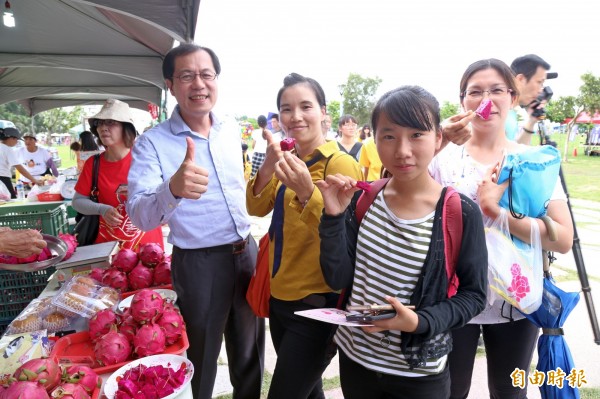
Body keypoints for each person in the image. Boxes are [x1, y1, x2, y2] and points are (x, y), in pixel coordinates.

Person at [317, 85, 488, 399]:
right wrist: (332, 217)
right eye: (389, 136)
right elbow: (337, 278)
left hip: (419, 374)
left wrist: (419, 322)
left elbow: (475, 295)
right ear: (375, 139)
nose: (403, 150)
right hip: (356, 361)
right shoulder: (363, 200)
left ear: (439, 138)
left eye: (417, 135)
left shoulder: (459, 212)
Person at [126, 44, 265, 399]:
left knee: (250, 353)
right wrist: (172, 188)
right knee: (200, 357)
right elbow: (139, 215)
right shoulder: (152, 144)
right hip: (200, 264)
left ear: (216, 80)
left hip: (245, 254)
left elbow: (242, 191)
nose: (199, 83)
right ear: (171, 85)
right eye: (187, 76)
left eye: (206, 74)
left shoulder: (231, 130)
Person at [429, 58, 574, 399]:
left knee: (509, 392)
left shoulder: (536, 161)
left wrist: (497, 212)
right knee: (450, 391)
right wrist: (440, 142)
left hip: (517, 301)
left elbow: (563, 238)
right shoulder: (442, 162)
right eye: (475, 91)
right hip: (452, 299)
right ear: (462, 100)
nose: (486, 99)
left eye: (497, 90)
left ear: (513, 97)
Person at [247, 72, 362, 399]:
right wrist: (269, 165)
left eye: (305, 106)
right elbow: (256, 208)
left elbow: (344, 230)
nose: (295, 116)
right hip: (280, 296)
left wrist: (307, 191)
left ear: (324, 112)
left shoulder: (339, 162)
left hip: (318, 304)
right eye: (286, 109)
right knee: (309, 392)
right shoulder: (288, 158)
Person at [72, 99, 163, 251]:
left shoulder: (147, 158)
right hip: (107, 251)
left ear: (126, 128)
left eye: (111, 123)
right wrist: (102, 209)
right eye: (100, 123)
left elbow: (167, 195)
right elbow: (77, 201)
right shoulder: (93, 164)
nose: (103, 128)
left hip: (148, 249)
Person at [508, 54, 557, 144]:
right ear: (520, 79)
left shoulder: (510, 113)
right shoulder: (499, 112)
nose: (540, 90)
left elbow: (512, 151)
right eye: (539, 82)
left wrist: (531, 121)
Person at [0, 127, 43, 198]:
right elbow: (20, 168)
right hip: (3, 178)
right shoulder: (7, 149)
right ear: (11, 138)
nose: (17, 142)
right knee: (11, 201)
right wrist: (35, 180)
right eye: (16, 139)